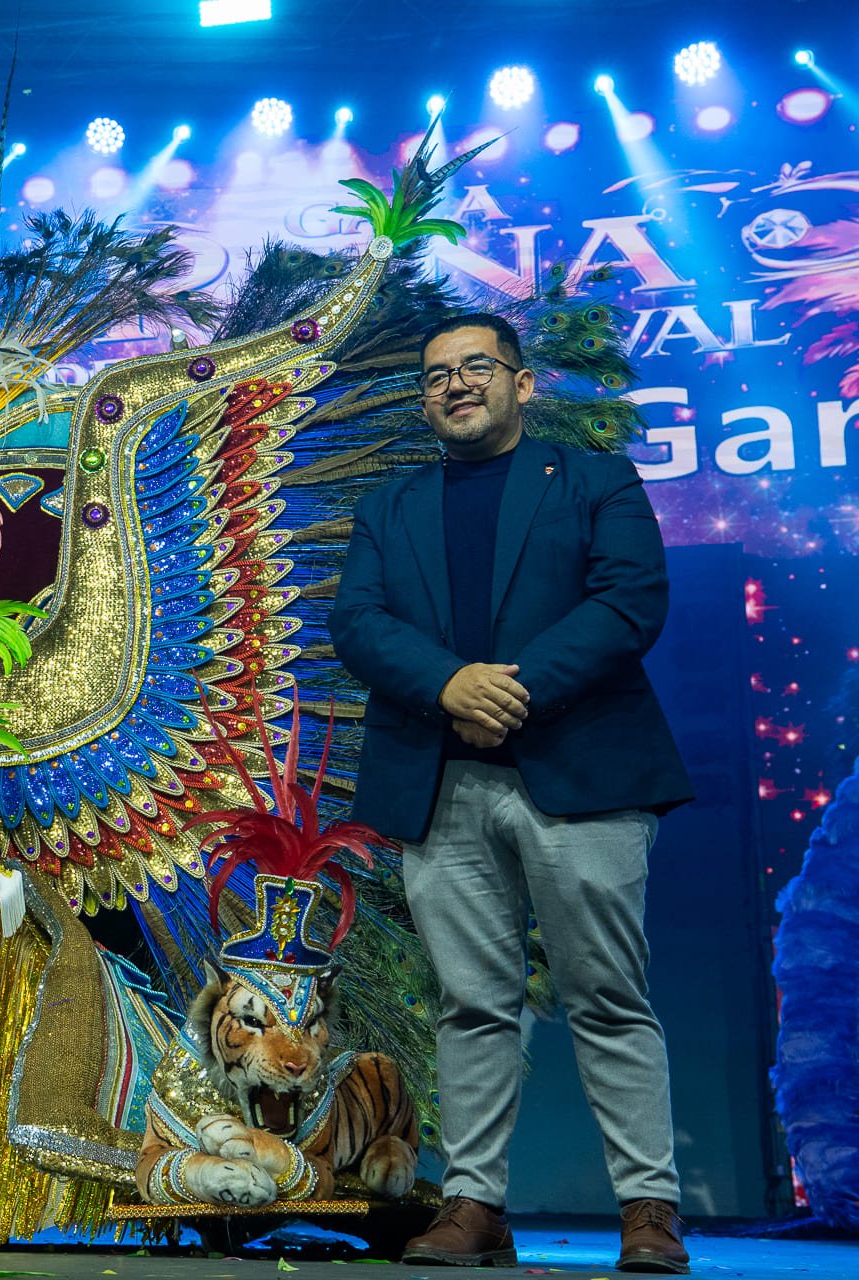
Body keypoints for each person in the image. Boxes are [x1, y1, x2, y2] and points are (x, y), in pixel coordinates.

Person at [327, 313, 695, 1274]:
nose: (455, 384)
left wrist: (506, 691)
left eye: (476, 367)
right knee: (471, 1004)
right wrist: (447, 685)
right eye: (436, 375)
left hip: (582, 773)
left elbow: (629, 601)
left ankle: (649, 1210)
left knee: (608, 995)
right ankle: (475, 1206)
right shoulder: (390, 506)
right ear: (424, 400)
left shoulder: (597, 481)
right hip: (440, 781)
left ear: (522, 384)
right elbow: (357, 621)